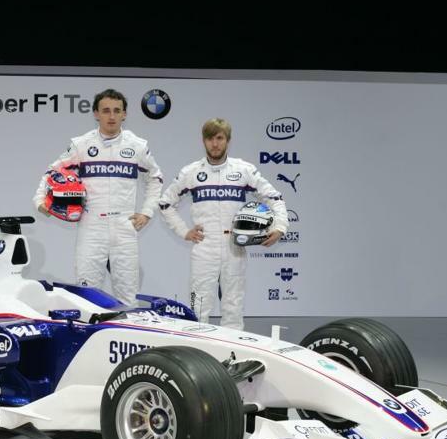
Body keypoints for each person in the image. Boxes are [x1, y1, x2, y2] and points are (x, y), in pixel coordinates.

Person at [33, 89, 163, 306]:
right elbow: (52, 172)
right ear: (96, 114)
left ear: (124, 114)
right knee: (87, 294)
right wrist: (40, 201)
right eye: (106, 111)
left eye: (116, 111)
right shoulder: (81, 144)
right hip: (91, 227)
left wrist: (147, 212)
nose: (111, 116)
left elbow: (155, 177)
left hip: (124, 228)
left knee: (127, 296)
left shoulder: (137, 145)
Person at [159, 118, 288, 330]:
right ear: (203, 141)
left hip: (234, 246)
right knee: (198, 308)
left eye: (219, 138)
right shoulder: (191, 172)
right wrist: (184, 231)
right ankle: (197, 356)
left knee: (233, 308)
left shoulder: (243, 170)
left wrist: (280, 227)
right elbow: (165, 204)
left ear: (228, 140)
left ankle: (232, 358)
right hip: (204, 246)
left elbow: (274, 197)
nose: (215, 144)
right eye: (210, 138)